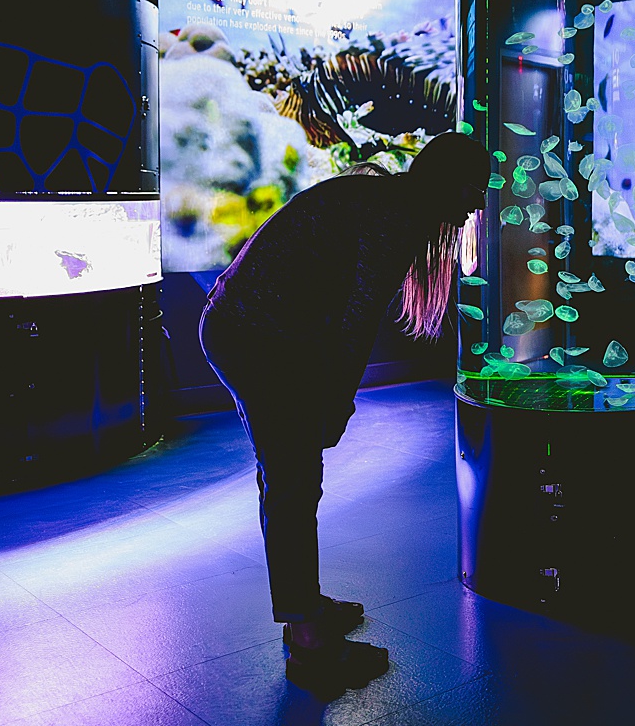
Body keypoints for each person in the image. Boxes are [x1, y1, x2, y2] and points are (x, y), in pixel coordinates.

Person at [198, 131, 490, 694]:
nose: (477, 203)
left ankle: (304, 607)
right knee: (293, 479)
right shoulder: (395, 214)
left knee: (288, 476)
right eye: (473, 189)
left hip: (249, 328)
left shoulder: (388, 200)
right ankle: (308, 643)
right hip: (254, 337)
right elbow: (357, 321)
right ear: (447, 181)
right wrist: (338, 403)